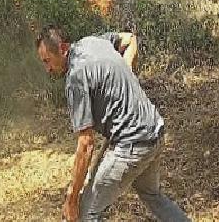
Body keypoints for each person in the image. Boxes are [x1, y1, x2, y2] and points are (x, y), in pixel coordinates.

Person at [35, 25, 189, 222]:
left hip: (131, 145)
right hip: (155, 131)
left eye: (48, 61)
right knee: (152, 195)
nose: (47, 69)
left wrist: (72, 199)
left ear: (63, 48)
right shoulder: (92, 42)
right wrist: (128, 67)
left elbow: (86, 144)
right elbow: (129, 39)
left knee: (85, 214)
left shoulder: (75, 77)